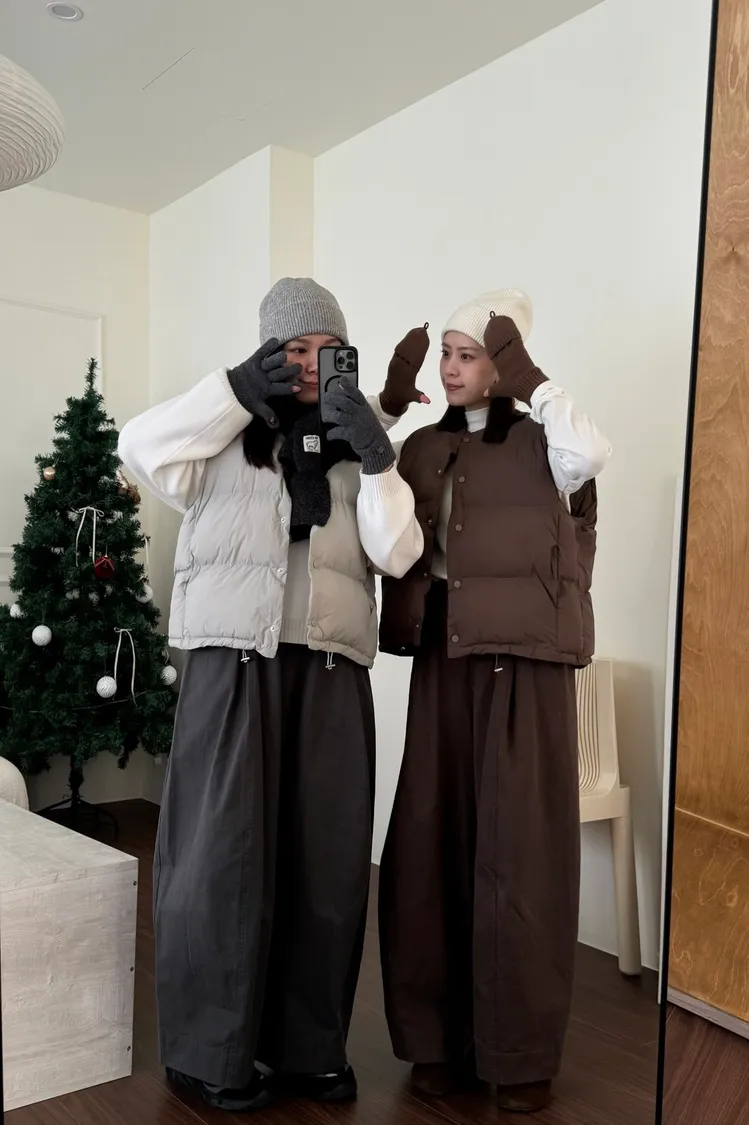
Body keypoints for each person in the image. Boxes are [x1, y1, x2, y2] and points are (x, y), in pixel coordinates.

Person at [118, 277, 429, 1114]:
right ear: (265, 352)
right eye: (292, 348)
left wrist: (378, 456)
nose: (309, 363)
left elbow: (398, 554)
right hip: (232, 663)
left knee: (325, 863)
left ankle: (308, 1049)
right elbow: (138, 446)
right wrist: (232, 389)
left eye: (326, 348)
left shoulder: (359, 447)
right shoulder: (219, 434)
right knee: (218, 860)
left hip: (329, 666)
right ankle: (206, 1054)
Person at [377, 289, 611, 1115]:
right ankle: (437, 1040)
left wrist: (530, 377)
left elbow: (590, 454)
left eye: (469, 352)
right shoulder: (421, 446)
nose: (450, 366)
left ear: (503, 360)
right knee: (430, 842)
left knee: (522, 854)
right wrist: (383, 406)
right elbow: (368, 507)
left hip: (528, 662)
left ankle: (519, 1053)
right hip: (444, 655)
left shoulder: (549, 438)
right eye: (445, 351)